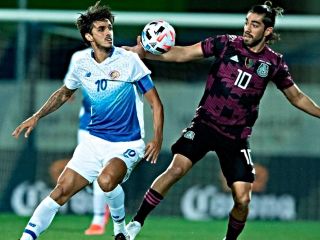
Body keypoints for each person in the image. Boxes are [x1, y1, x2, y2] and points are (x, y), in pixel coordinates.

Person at [124, 1, 320, 240]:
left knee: (243, 199)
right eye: (247, 22)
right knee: (176, 168)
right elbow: (183, 53)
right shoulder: (226, 43)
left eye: (255, 24)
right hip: (205, 123)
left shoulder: (274, 63)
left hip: (236, 137)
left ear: (267, 31)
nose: (247, 28)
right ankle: (136, 223)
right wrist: (142, 53)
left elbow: (296, 97)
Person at [12, 1, 164, 240]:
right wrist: (36, 116)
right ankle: (27, 237)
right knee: (60, 191)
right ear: (88, 36)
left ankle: (119, 228)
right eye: (101, 29)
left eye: (109, 28)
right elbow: (64, 93)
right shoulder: (82, 65)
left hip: (126, 144)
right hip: (93, 143)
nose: (108, 33)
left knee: (106, 181)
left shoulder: (130, 61)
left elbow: (156, 103)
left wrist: (157, 138)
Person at [66, 51, 111, 235]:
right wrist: (70, 94)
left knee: (102, 173)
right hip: (86, 124)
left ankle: (98, 220)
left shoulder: (122, 56)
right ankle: (105, 202)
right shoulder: (78, 57)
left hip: (112, 127)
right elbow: (69, 87)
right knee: (88, 173)